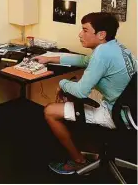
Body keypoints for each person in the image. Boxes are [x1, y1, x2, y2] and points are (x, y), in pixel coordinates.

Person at [34, 12, 136, 175]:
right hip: (132, 110)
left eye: (85, 30)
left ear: (101, 34)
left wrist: (62, 84)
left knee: (50, 111)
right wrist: (50, 58)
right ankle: (95, 151)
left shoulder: (102, 54)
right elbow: (84, 61)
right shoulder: (116, 47)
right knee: (74, 96)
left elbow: (81, 92)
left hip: (117, 114)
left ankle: (78, 161)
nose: (80, 34)